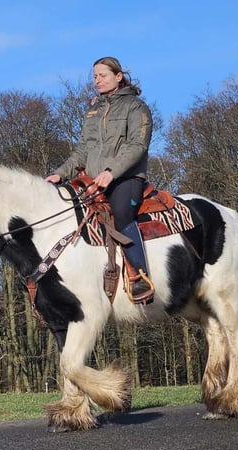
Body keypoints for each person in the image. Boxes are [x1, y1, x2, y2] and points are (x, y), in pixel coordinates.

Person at [46, 56, 154, 303]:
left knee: (122, 214)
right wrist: (60, 173)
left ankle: (139, 276)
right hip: (93, 180)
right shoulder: (93, 111)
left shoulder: (137, 108)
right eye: (94, 76)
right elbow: (82, 150)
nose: (97, 80)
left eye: (102, 75)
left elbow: (138, 146)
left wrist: (111, 171)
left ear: (118, 77)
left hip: (125, 178)